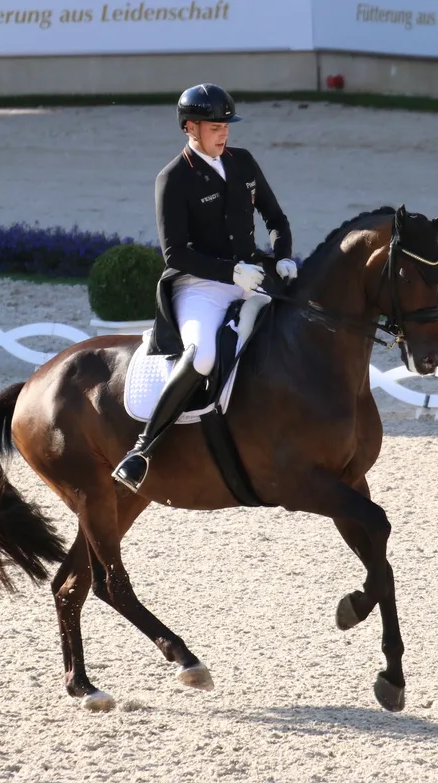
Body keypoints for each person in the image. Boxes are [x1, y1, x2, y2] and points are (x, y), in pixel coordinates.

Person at [112, 83, 297, 492]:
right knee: (203, 356)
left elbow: (276, 219)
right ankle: (142, 449)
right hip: (200, 285)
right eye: (215, 126)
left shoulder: (243, 162)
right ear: (189, 128)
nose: (224, 132)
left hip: (252, 276)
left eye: (227, 125)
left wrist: (282, 254)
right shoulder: (173, 178)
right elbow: (175, 253)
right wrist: (231, 273)